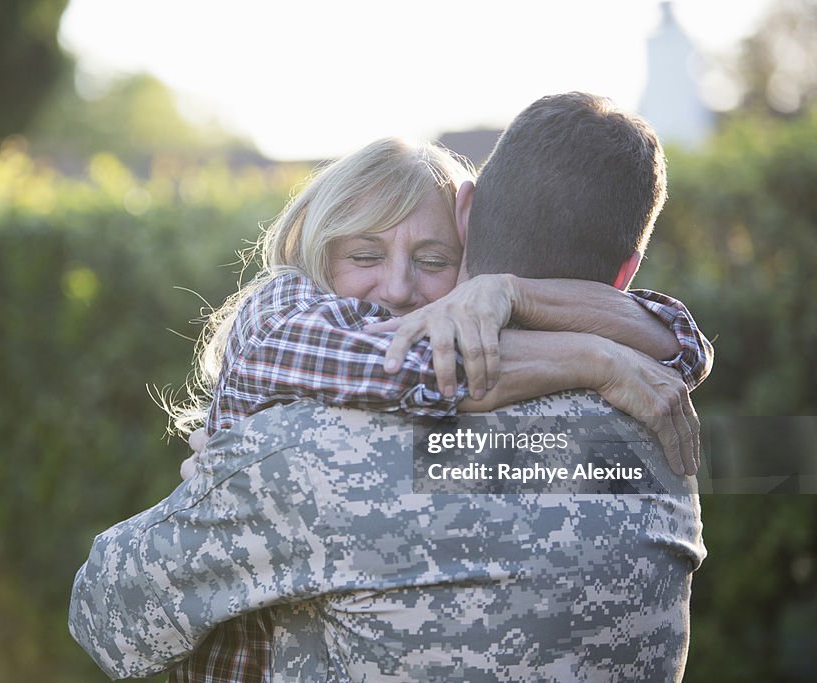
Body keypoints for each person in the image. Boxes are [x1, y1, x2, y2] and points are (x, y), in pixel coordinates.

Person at [69, 94, 710, 681]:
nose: (399, 288)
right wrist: (599, 358)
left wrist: (236, 477)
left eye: (432, 261)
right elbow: (414, 365)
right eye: (364, 256)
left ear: (466, 229)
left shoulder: (304, 454)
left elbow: (107, 618)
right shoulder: (657, 437)